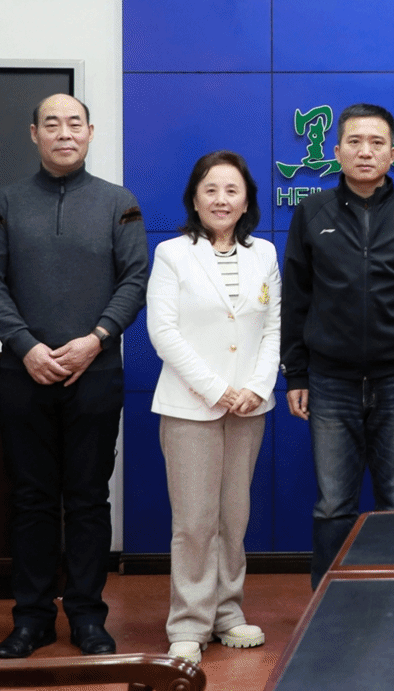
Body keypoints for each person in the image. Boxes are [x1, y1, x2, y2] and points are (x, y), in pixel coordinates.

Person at [0, 94, 149, 658]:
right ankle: (31, 619)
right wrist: (25, 346)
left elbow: (134, 280)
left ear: (90, 132)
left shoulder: (118, 202)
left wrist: (95, 340)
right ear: (34, 134)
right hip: (23, 374)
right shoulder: (4, 202)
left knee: (88, 500)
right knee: (30, 500)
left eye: (75, 123)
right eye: (52, 124)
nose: (64, 133)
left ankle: (87, 616)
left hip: (95, 373)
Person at [282, 104, 394, 588]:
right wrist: (296, 372)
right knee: (333, 504)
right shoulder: (311, 212)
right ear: (337, 151)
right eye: (354, 141)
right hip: (329, 382)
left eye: (377, 142)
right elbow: (296, 299)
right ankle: (328, 603)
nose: (365, 151)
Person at [147, 151, 281, 662]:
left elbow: (273, 327)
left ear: (246, 200)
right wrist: (215, 389)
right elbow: (163, 332)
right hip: (191, 407)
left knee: (234, 517)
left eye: (232, 190)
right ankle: (189, 622)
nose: (221, 200)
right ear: (195, 199)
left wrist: (256, 386)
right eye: (211, 190)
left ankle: (228, 612)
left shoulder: (264, 253)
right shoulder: (172, 254)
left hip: (248, 407)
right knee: (194, 522)